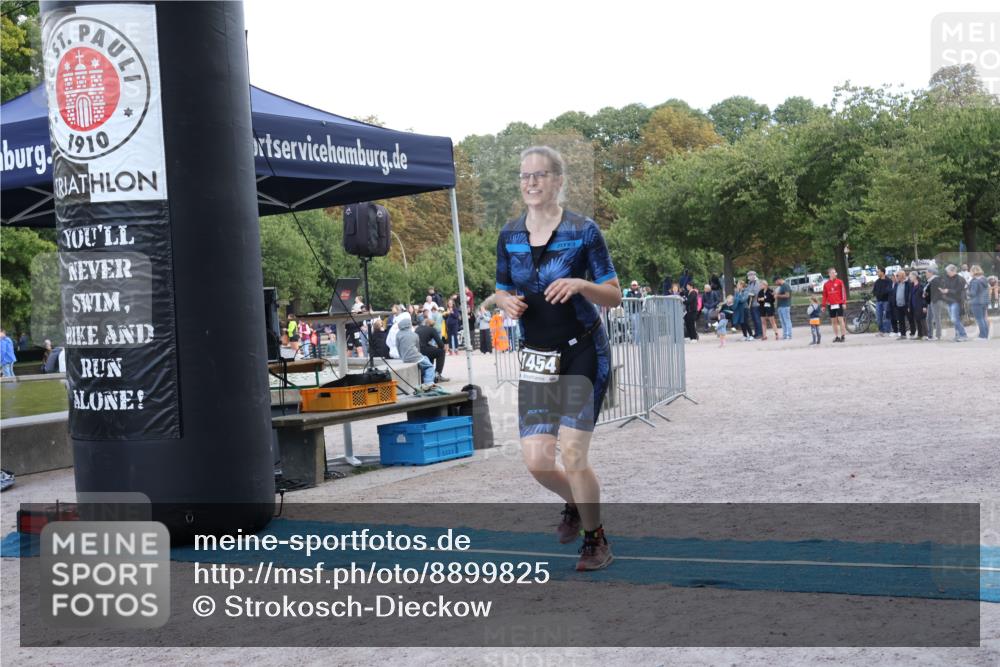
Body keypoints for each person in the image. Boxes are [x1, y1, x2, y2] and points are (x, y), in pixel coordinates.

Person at [494, 145, 620, 571]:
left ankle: (596, 538)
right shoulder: (510, 234)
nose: (531, 183)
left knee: (572, 452)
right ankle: (574, 504)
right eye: (524, 176)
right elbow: (500, 287)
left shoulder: (584, 231)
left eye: (540, 175)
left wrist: (580, 285)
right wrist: (502, 301)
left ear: (558, 180)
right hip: (537, 358)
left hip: (583, 351)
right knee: (536, 462)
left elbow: (615, 294)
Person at [395, 317, 436, 388]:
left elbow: (398, 347)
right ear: (409, 325)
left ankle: (424, 380)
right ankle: (428, 383)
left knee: (425, 358)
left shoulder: (398, 335)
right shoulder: (414, 335)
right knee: (429, 366)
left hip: (405, 358)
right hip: (415, 357)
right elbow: (418, 348)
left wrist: (402, 357)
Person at [938, 264, 969, 342]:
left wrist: (948, 291)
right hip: (949, 301)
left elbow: (959, 291)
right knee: (955, 319)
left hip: (956, 301)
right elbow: (946, 287)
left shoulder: (960, 279)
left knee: (954, 319)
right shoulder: (947, 278)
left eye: (948, 272)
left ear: (953, 271)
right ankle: (957, 335)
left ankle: (963, 335)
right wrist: (943, 290)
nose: (947, 273)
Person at [821, 267, 847, 343]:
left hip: (839, 303)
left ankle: (843, 336)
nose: (834, 274)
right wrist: (823, 305)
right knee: (833, 321)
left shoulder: (839, 282)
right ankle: (836, 336)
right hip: (831, 304)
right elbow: (824, 295)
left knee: (841, 320)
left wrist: (844, 302)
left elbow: (843, 293)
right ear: (829, 274)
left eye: (835, 272)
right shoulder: (826, 284)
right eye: (832, 272)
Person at [968, 265, 990, 339]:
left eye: (970, 271)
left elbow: (972, 293)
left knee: (979, 319)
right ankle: (985, 335)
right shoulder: (984, 279)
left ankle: (982, 336)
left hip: (976, 302)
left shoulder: (975, 281)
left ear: (973, 272)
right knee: (983, 319)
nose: (969, 272)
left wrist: (966, 292)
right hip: (984, 301)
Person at [871, 267, 893, 336]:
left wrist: (881, 293)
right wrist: (876, 294)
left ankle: (887, 331)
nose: (877, 273)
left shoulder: (888, 281)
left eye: (878, 272)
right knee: (878, 317)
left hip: (886, 301)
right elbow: (874, 291)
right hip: (878, 301)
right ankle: (881, 331)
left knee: (886, 316)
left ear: (882, 272)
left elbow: (889, 290)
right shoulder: (877, 282)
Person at [923, 267, 942, 341]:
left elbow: (936, 292)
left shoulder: (936, 280)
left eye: (926, 273)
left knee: (936, 318)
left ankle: (938, 335)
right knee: (929, 318)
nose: (926, 274)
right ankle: (930, 335)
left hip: (936, 301)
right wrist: (926, 293)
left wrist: (926, 293)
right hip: (930, 301)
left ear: (931, 273)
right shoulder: (930, 281)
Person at [908, 271, 928, 340]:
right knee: (917, 320)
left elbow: (924, 297)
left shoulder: (921, 285)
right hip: (914, 305)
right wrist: (909, 306)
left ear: (915, 277)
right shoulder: (911, 285)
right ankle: (920, 335)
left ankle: (925, 335)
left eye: (910, 277)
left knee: (922, 320)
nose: (909, 278)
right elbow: (910, 296)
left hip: (920, 305)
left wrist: (924, 306)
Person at [746, 271, 762, 339]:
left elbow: (756, 292)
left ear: (753, 275)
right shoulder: (750, 283)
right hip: (751, 304)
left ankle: (760, 333)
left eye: (750, 276)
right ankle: (756, 333)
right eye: (748, 276)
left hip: (756, 303)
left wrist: (749, 293)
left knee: (757, 319)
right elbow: (747, 290)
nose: (748, 277)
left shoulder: (757, 282)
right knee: (754, 319)